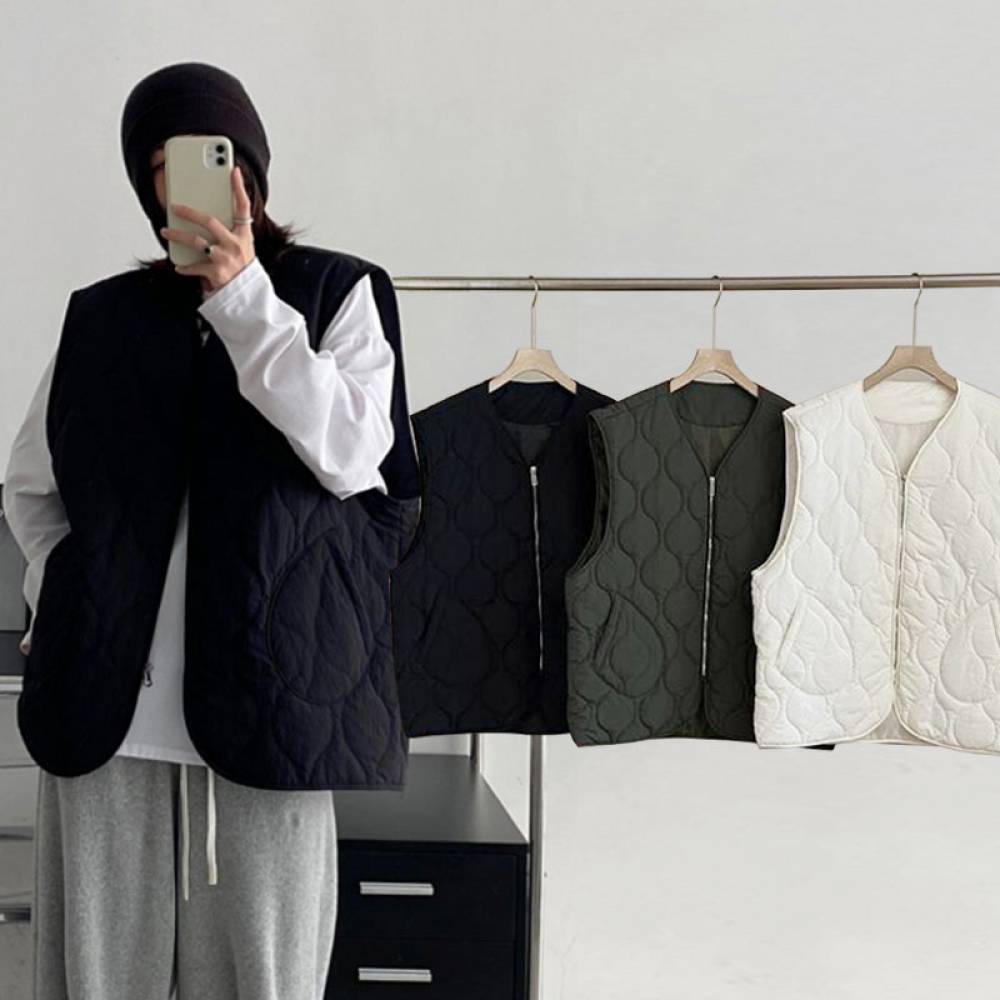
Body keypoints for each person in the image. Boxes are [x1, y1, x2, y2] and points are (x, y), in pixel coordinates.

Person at [2, 62, 419, 1000]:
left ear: (248, 169)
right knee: (98, 981)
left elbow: (355, 455)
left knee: (265, 979)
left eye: (203, 157)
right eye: (158, 168)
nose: (178, 183)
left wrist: (244, 303)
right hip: (107, 718)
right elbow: (32, 485)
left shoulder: (339, 292)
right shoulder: (102, 317)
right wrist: (65, 594)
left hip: (276, 712)